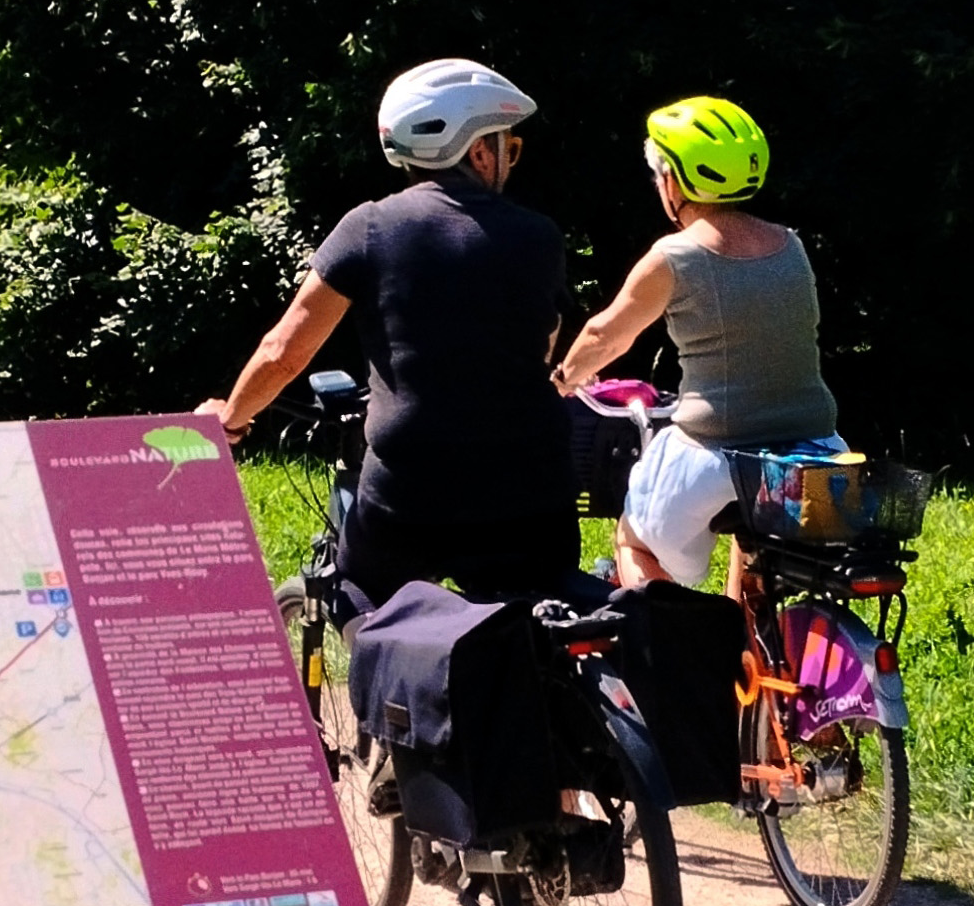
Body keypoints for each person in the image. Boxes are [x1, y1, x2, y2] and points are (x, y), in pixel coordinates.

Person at [198, 58, 577, 605]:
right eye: (507, 147)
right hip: (532, 488)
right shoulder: (540, 237)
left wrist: (229, 421)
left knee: (354, 595)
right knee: (542, 621)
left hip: (413, 491)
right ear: (476, 150)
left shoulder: (371, 227)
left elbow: (285, 351)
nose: (509, 161)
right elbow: (543, 347)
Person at [553, 97, 842, 589]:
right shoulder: (791, 245)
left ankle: (670, 653)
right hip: (817, 450)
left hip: (715, 452)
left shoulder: (675, 255)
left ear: (674, 180)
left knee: (633, 539)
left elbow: (606, 336)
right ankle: (749, 653)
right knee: (753, 539)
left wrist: (563, 380)